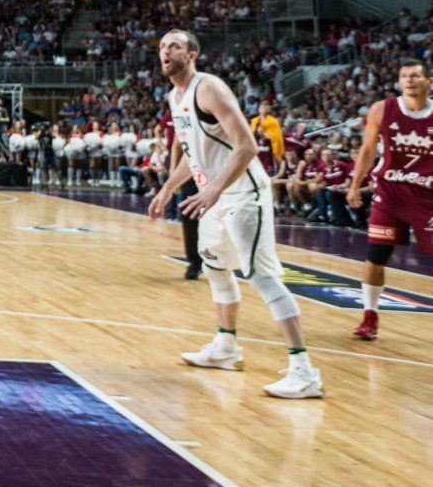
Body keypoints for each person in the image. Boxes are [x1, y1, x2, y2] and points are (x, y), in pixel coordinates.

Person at [147, 29, 322, 399]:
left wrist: (212, 189)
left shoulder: (209, 88)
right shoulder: (174, 96)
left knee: (261, 275)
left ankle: (304, 371)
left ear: (191, 54)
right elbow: (194, 154)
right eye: (162, 46)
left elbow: (247, 147)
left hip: (243, 193)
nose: (166, 51)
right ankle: (226, 348)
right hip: (214, 195)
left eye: (174, 46)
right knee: (214, 267)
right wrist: (167, 188)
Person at [347, 59, 432, 342]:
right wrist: (355, 185)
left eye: (416, 75)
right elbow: (368, 149)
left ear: (429, 81)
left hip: (427, 195)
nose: (409, 80)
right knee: (376, 256)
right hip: (390, 192)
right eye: (404, 76)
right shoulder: (382, 109)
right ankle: (369, 316)